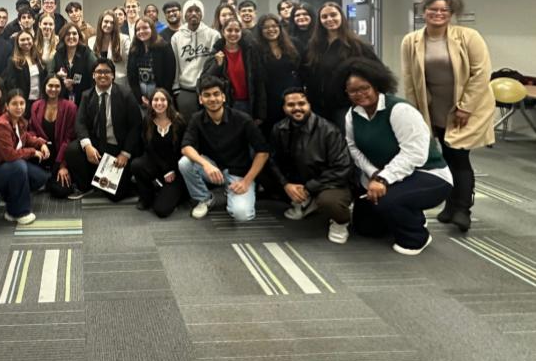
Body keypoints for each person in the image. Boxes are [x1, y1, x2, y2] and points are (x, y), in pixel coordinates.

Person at [401, 0, 494, 232]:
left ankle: (462, 208)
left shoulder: (468, 36)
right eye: (433, 9)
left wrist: (465, 107)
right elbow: (410, 78)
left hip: (466, 109)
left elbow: (481, 73)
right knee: (443, 156)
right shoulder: (412, 40)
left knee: (459, 157)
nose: (438, 14)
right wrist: (418, 113)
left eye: (444, 10)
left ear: (451, 13)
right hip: (434, 109)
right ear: (424, 11)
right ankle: (450, 206)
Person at [341, 58, 453, 255]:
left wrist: (385, 178)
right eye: (353, 91)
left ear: (376, 85)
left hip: (428, 173)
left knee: (387, 201)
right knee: (366, 228)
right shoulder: (352, 114)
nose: (360, 94)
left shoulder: (399, 109)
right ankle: (406, 212)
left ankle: (417, 236)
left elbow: (415, 153)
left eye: (364, 88)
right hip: (385, 176)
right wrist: (374, 173)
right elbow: (353, 148)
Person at [266, 87, 353, 243]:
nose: (297, 108)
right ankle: (304, 202)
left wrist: (309, 188)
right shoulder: (279, 128)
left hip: (329, 183)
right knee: (262, 172)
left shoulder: (328, 130)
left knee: (329, 202)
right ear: (284, 108)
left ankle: (341, 221)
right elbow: (273, 160)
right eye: (291, 105)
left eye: (301, 103)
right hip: (299, 180)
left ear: (309, 105)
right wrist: (286, 185)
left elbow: (342, 168)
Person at [179, 76, 270, 221]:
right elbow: (186, 147)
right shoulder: (197, 118)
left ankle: (232, 193)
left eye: (216, 94)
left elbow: (263, 152)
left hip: (238, 173)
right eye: (207, 95)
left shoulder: (243, 119)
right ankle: (205, 198)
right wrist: (206, 165)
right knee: (185, 162)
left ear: (223, 97)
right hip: (213, 170)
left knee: (242, 216)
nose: (212, 99)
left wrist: (246, 181)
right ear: (200, 100)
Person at [64, 59, 142, 201]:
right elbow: (80, 123)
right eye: (99, 72)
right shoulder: (87, 95)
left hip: (118, 147)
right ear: (93, 75)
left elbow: (136, 126)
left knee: (116, 195)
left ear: (113, 75)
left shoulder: (125, 95)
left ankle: (108, 178)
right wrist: (87, 146)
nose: (103, 75)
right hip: (97, 144)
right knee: (72, 150)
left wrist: (125, 153)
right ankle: (86, 186)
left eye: (107, 72)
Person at [302, 2, 379, 128]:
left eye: (333, 15)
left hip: (344, 106)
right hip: (316, 107)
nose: (329, 19)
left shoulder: (357, 45)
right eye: (324, 17)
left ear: (341, 17)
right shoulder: (313, 46)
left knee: (345, 143)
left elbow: (376, 73)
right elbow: (305, 72)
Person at [0, 90, 50, 224]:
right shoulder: (2, 125)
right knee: (19, 166)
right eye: (14, 104)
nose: (19, 107)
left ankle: (11, 199)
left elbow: (26, 138)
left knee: (40, 177)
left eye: (22, 103)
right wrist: (33, 152)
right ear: (7, 106)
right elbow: (10, 155)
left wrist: (41, 144)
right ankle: (18, 212)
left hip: (8, 166)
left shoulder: (20, 121)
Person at [131, 89, 187, 218]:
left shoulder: (179, 121)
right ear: (151, 103)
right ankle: (146, 197)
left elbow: (183, 150)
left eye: (163, 100)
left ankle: (179, 193)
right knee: (136, 165)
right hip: (158, 164)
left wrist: (172, 170)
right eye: (156, 100)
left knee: (161, 210)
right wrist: (165, 169)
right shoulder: (147, 120)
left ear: (169, 102)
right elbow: (148, 149)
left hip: (176, 168)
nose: (159, 103)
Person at [201, 17, 265, 121]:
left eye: (237, 30)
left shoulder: (249, 51)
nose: (233, 33)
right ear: (223, 32)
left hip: (248, 103)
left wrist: (260, 113)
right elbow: (205, 80)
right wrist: (217, 65)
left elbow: (258, 82)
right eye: (229, 30)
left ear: (241, 32)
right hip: (226, 105)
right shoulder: (216, 52)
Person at [29, 75, 78, 199]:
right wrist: (41, 144)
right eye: (50, 85)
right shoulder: (36, 106)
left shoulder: (70, 107)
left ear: (62, 88)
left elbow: (69, 138)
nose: (53, 89)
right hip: (42, 154)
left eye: (57, 86)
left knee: (60, 191)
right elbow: (32, 132)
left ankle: (51, 178)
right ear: (44, 87)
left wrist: (63, 165)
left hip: (61, 156)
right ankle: (46, 178)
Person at [171, 0, 219, 121]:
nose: (193, 13)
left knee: (210, 124)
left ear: (202, 14)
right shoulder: (176, 37)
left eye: (197, 10)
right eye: (189, 11)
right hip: (186, 89)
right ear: (184, 14)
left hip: (208, 88)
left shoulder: (213, 35)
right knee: (189, 125)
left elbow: (216, 63)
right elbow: (174, 64)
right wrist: (176, 88)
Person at [256, 13, 302, 135]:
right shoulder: (256, 49)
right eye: (266, 27)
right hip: (270, 99)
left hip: (293, 94)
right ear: (260, 31)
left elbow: (302, 68)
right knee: (273, 133)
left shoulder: (294, 44)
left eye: (274, 25)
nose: (271, 29)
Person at [127, 16, 176, 110]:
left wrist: (158, 97)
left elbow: (170, 75)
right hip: (141, 95)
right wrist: (140, 98)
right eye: (138, 29)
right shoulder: (134, 49)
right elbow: (131, 76)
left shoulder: (164, 47)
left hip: (160, 95)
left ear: (152, 29)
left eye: (145, 28)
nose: (141, 31)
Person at [51, 23, 97, 104]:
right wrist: (58, 77)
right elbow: (50, 74)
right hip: (62, 99)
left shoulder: (86, 52)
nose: (71, 36)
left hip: (84, 99)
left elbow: (96, 71)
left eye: (74, 33)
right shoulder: (58, 54)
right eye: (68, 34)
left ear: (79, 36)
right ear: (63, 36)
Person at [2, 29, 46, 112]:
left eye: (28, 39)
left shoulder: (38, 58)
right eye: (22, 40)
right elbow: (12, 84)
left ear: (32, 40)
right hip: (23, 101)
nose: (26, 42)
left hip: (38, 99)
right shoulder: (13, 61)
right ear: (17, 43)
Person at [88, 10, 130, 88]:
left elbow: (129, 63)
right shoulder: (91, 41)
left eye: (112, 23)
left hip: (119, 84)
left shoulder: (124, 39)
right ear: (101, 22)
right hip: (98, 84)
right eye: (106, 21)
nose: (108, 25)